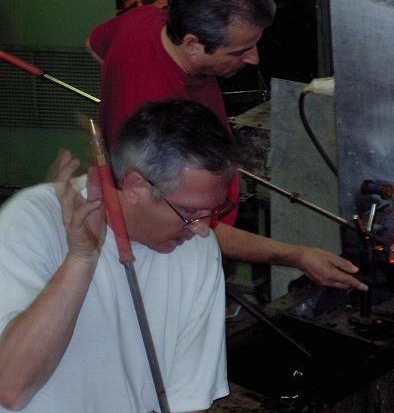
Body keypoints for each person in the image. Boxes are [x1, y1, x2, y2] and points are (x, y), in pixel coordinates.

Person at [87, 0, 367, 292]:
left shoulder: (143, 20)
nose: (254, 59)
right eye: (240, 51)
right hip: (171, 251)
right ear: (192, 44)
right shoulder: (162, 127)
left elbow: (95, 43)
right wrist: (298, 256)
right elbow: (202, 228)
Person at [0, 100, 236, 412]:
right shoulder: (33, 220)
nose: (203, 229)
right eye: (190, 211)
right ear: (136, 186)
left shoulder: (197, 248)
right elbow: (10, 388)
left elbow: (187, 401)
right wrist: (82, 259)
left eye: (215, 210)